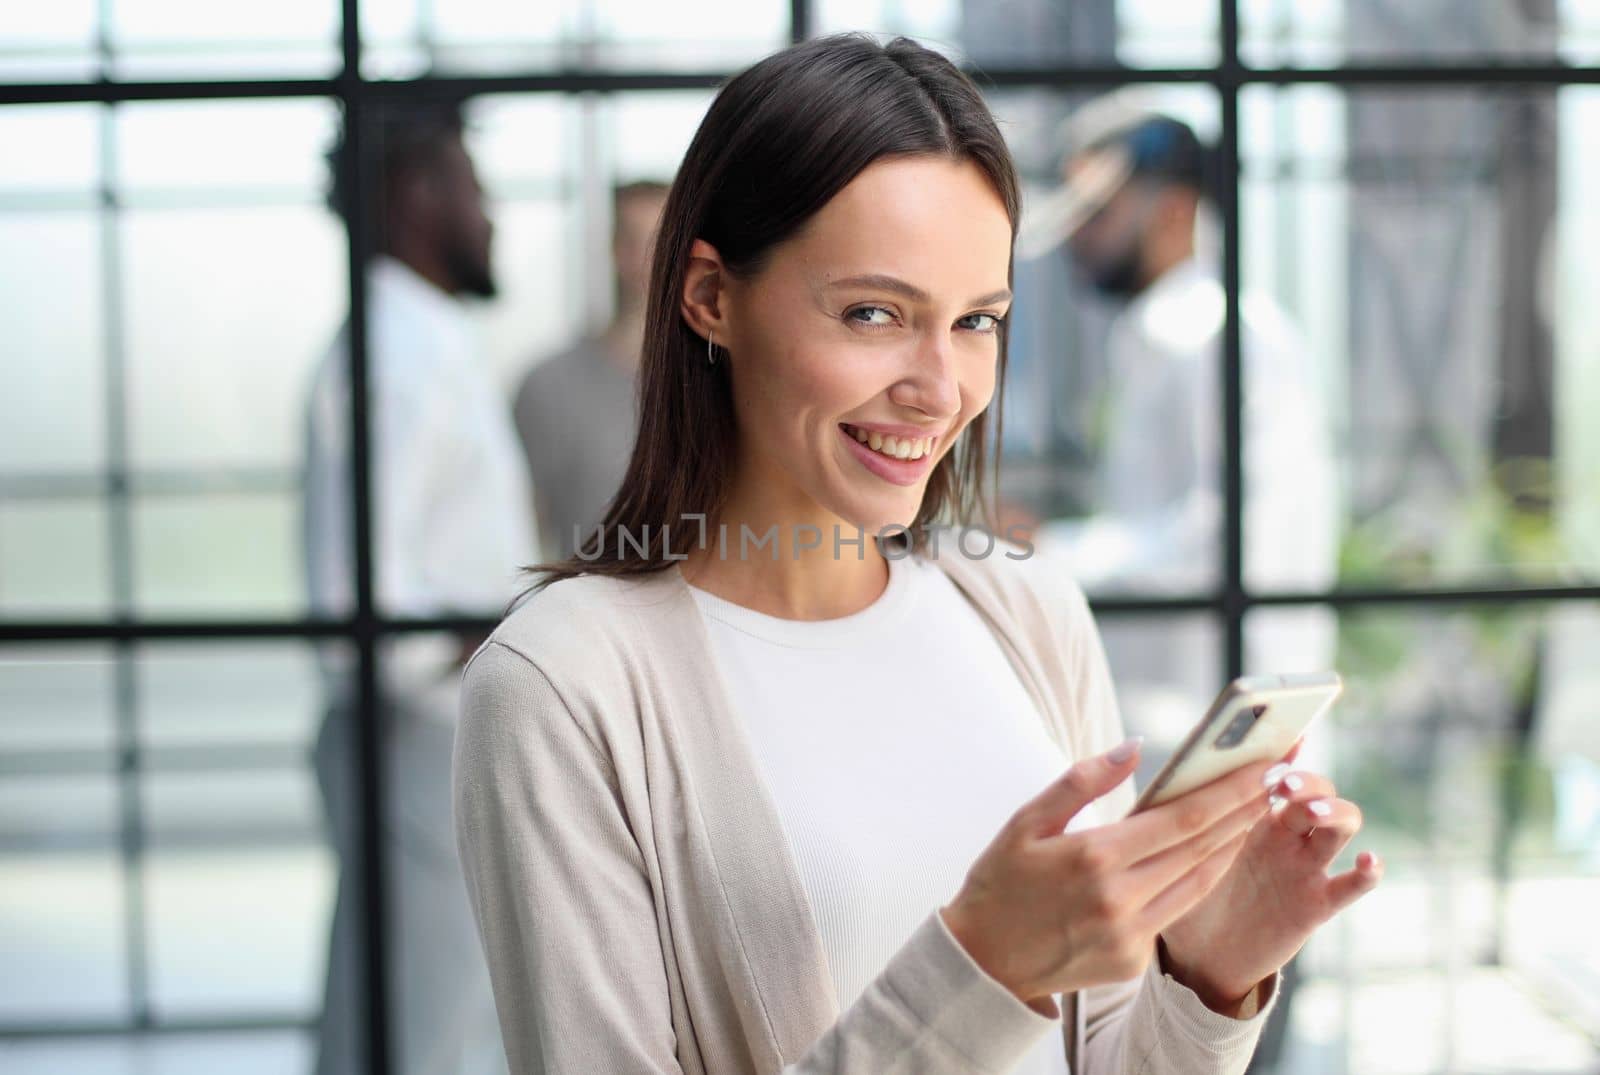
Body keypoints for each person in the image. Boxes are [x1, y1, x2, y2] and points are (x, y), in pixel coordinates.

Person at [453, 34, 1382, 1075]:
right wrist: (979, 968)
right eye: (873, 314)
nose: (940, 388)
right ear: (711, 296)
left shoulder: (1023, 606)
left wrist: (1209, 971)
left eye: (976, 320)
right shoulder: (563, 685)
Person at [301, 96, 535, 1075]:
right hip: (417, 750)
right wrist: (524, 626)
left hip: (438, 749)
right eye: (473, 188)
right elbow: (359, 599)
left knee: (433, 1024)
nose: (492, 215)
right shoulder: (391, 360)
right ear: (415, 197)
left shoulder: (425, 344)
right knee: (420, 1038)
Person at [1019, 97, 1340, 778]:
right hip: (1183, 726)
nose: (1078, 233)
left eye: (1098, 211)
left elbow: (1225, 538)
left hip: (1221, 729)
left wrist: (1050, 550)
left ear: (1172, 210)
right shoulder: (1162, 336)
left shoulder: (1217, 340)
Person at [513, 180, 670, 558]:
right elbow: (522, 524)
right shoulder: (548, 386)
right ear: (614, 252)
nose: (646, 261)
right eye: (634, 241)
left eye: (663, 241)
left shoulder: (727, 383)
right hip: (581, 603)